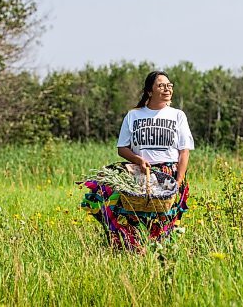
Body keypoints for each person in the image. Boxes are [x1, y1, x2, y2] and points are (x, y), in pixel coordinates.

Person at [81, 71, 194, 251]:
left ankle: (160, 253)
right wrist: (137, 159)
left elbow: (184, 152)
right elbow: (122, 148)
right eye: (161, 85)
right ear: (149, 91)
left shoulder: (178, 115)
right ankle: (133, 248)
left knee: (163, 218)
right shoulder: (134, 116)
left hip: (168, 174)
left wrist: (178, 181)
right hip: (140, 174)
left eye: (169, 85)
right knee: (130, 212)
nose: (167, 89)